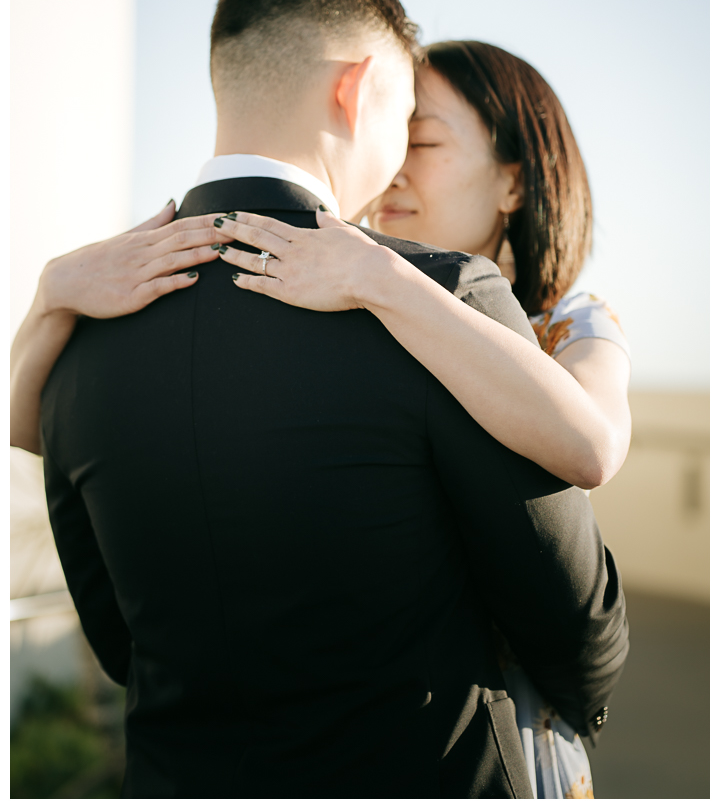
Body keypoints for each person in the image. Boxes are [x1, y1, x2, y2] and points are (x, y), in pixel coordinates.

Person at [11, 0, 628, 798]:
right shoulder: (439, 296)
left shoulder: (82, 327)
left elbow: (120, 645)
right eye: (404, 118)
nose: (401, 162)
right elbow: (571, 614)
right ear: (358, 87)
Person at [201, 40, 633, 798]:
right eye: (393, 133)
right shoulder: (343, 302)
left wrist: (381, 273)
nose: (394, 164)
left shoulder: (570, 324)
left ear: (515, 181)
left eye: (424, 141)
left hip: (506, 733)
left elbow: (592, 444)